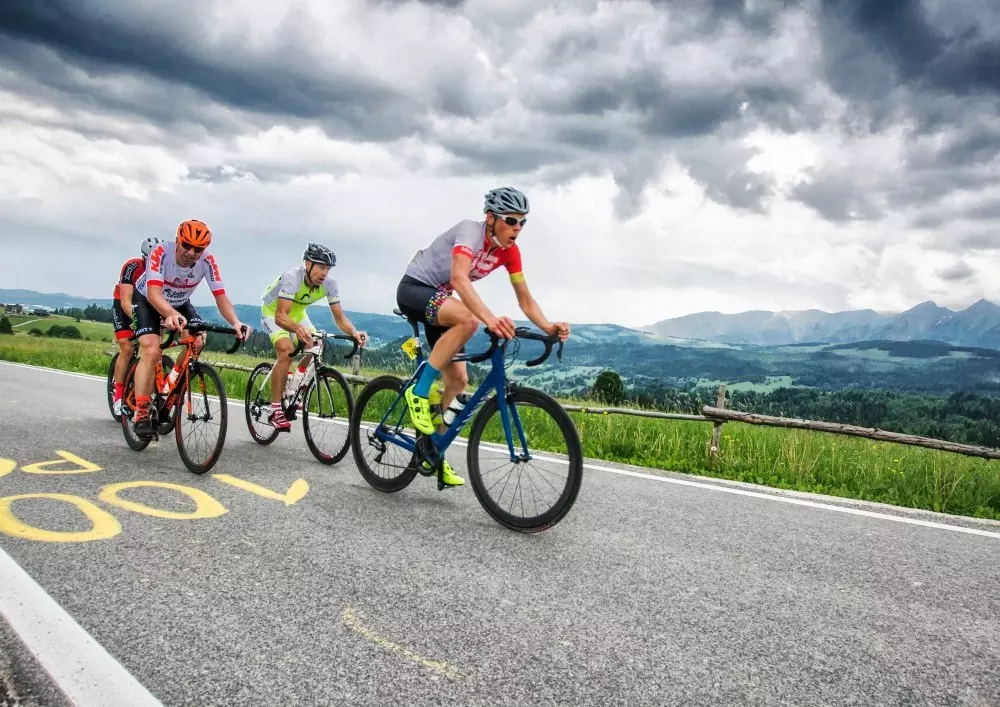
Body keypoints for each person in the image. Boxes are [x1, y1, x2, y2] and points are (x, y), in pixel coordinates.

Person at [396, 186, 571, 487]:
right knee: (469, 320)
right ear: (490, 218)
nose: (517, 228)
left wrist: (548, 327)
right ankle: (419, 392)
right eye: (511, 220)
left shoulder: (509, 252)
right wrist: (490, 319)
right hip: (415, 288)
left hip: (442, 301)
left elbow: (525, 300)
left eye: (523, 222)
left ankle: (433, 451)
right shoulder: (470, 232)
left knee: (458, 381)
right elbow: (459, 278)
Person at [130, 219, 246, 439]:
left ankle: (171, 387)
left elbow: (221, 297)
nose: (191, 253)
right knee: (152, 351)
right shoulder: (160, 252)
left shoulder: (208, 261)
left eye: (198, 249)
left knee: (198, 340)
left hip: (180, 302)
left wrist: (235, 322)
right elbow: (154, 294)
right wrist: (170, 314)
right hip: (148, 300)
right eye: (187, 245)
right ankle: (142, 411)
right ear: (177, 241)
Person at [259, 243, 368, 431]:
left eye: (328, 268)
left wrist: (354, 332)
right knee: (286, 351)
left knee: (317, 344)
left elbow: (339, 317)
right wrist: (297, 328)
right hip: (273, 312)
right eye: (321, 267)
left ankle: (295, 382)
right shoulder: (293, 277)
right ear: (308, 264)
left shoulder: (329, 284)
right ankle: (275, 409)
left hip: (298, 314)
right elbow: (280, 316)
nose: (325, 273)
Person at [110, 236, 162, 416]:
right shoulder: (132, 267)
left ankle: (149, 393)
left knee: (156, 349)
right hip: (124, 305)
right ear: (143, 257)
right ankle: (118, 396)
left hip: (147, 306)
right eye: (150, 259)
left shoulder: (164, 270)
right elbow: (125, 300)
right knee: (127, 347)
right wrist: (136, 319)